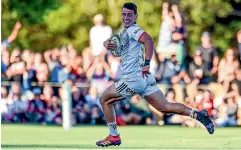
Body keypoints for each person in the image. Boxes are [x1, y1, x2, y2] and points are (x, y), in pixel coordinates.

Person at [96, 2, 214, 147]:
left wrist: (147, 63)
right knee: (165, 106)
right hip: (145, 79)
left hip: (133, 79)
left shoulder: (133, 30)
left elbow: (148, 40)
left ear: (136, 16)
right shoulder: (125, 33)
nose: (126, 17)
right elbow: (112, 43)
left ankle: (113, 135)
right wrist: (107, 44)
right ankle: (198, 114)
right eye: (124, 14)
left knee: (104, 99)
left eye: (129, 15)